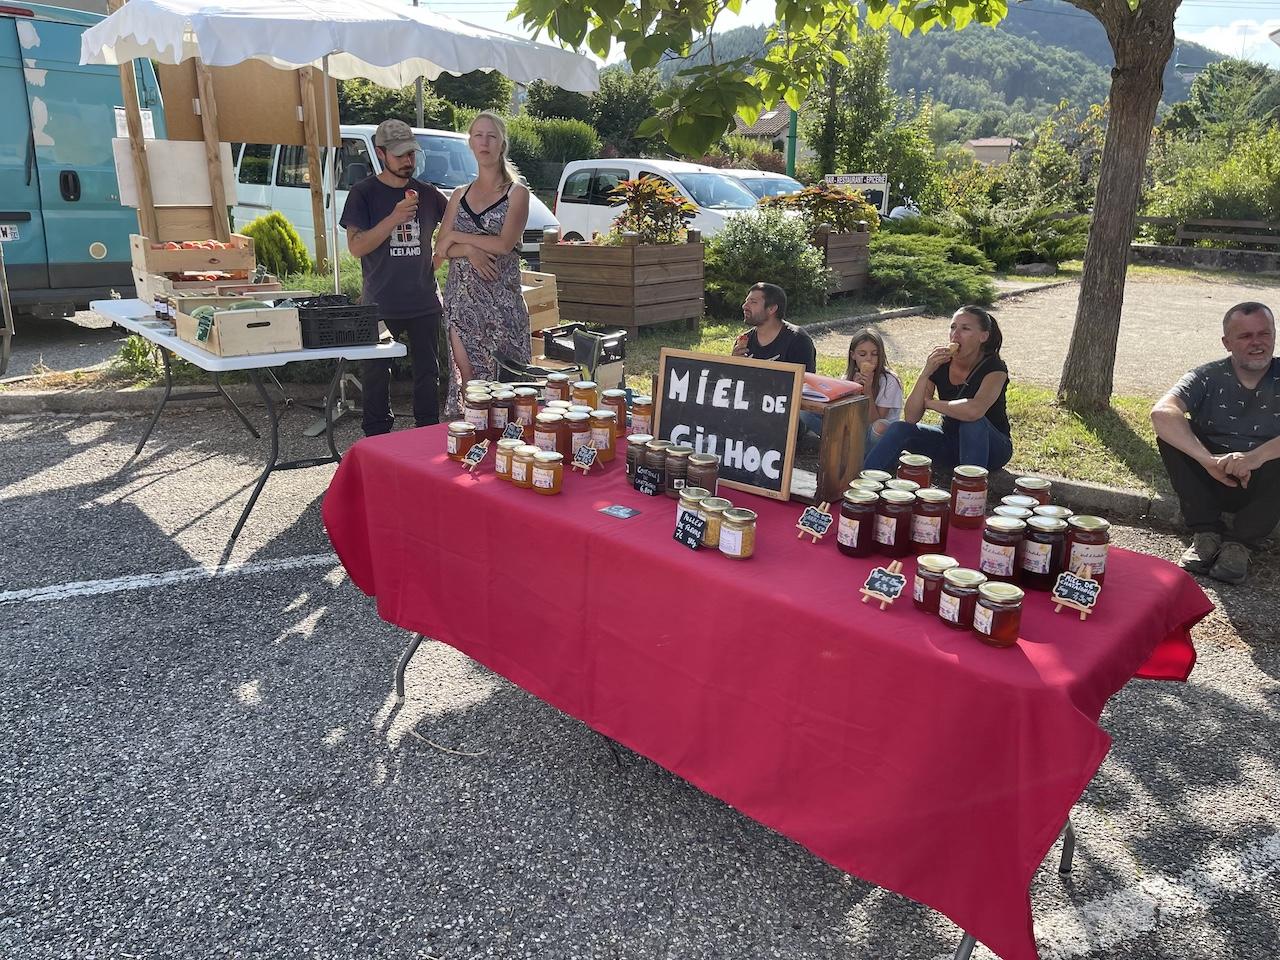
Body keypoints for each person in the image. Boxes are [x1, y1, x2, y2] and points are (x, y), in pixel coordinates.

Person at [1151, 301, 1280, 584]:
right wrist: (1208, 461)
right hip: (1211, 476)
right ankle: (1205, 533)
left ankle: (1240, 544)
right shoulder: (1207, 375)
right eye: (1245, 336)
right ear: (1227, 342)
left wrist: (1254, 458)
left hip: (1266, 481)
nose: (1257, 343)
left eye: (1265, 333)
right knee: (1172, 433)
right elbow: (1161, 413)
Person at [340, 118, 448, 436]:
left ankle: (427, 435)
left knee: (429, 374)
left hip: (425, 300)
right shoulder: (363, 194)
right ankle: (377, 440)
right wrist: (394, 217)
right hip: (381, 302)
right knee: (376, 375)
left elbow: (456, 224)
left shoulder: (428, 194)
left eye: (411, 153)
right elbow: (357, 247)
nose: (407, 161)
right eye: (399, 154)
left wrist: (442, 251)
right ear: (381, 153)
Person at [433, 111, 532, 415]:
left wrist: (459, 240)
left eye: (491, 136)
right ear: (471, 143)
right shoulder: (458, 195)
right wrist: (469, 250)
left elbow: (503, 244)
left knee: (507, 393)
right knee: (471, 386)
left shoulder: (517, 194)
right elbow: (439, 250)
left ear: (502, 143)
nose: (484, 141)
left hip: (502, 306)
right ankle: (473, 450)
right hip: (462, 305)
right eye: (478, 135)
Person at [862, 305, 1012, 474]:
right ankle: (864, 482)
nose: (955, 334)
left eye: (965, 328)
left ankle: (969, 492)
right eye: (953, 327)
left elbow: (974, 411)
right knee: (899, 428)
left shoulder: (995, 368)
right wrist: (926, 372)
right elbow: (911, 417)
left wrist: (931, 403)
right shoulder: (942, 363)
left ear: (983, 336)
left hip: (993, 447)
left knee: (972, 424)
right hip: (950, 440)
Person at [732, 282, 816, 372]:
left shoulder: (798, 341)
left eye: (753, 302)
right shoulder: (744, 341)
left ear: (772, 309)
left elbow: (805, 383)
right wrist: (733, 364)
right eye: (746, 301)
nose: (744, 306)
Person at [845, 328, 904, 451]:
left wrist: (867, 391)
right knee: (806, 414)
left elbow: (875, 421)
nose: (869, 359)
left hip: (878, 436)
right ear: (853, 355)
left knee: (879, 426)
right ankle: (846, 450)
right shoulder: (847, 378)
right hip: (855, 430)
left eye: (874, 354)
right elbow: (842, 415)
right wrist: (852, 391)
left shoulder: (890, 381)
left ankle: (864, 458)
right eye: (862, 354)